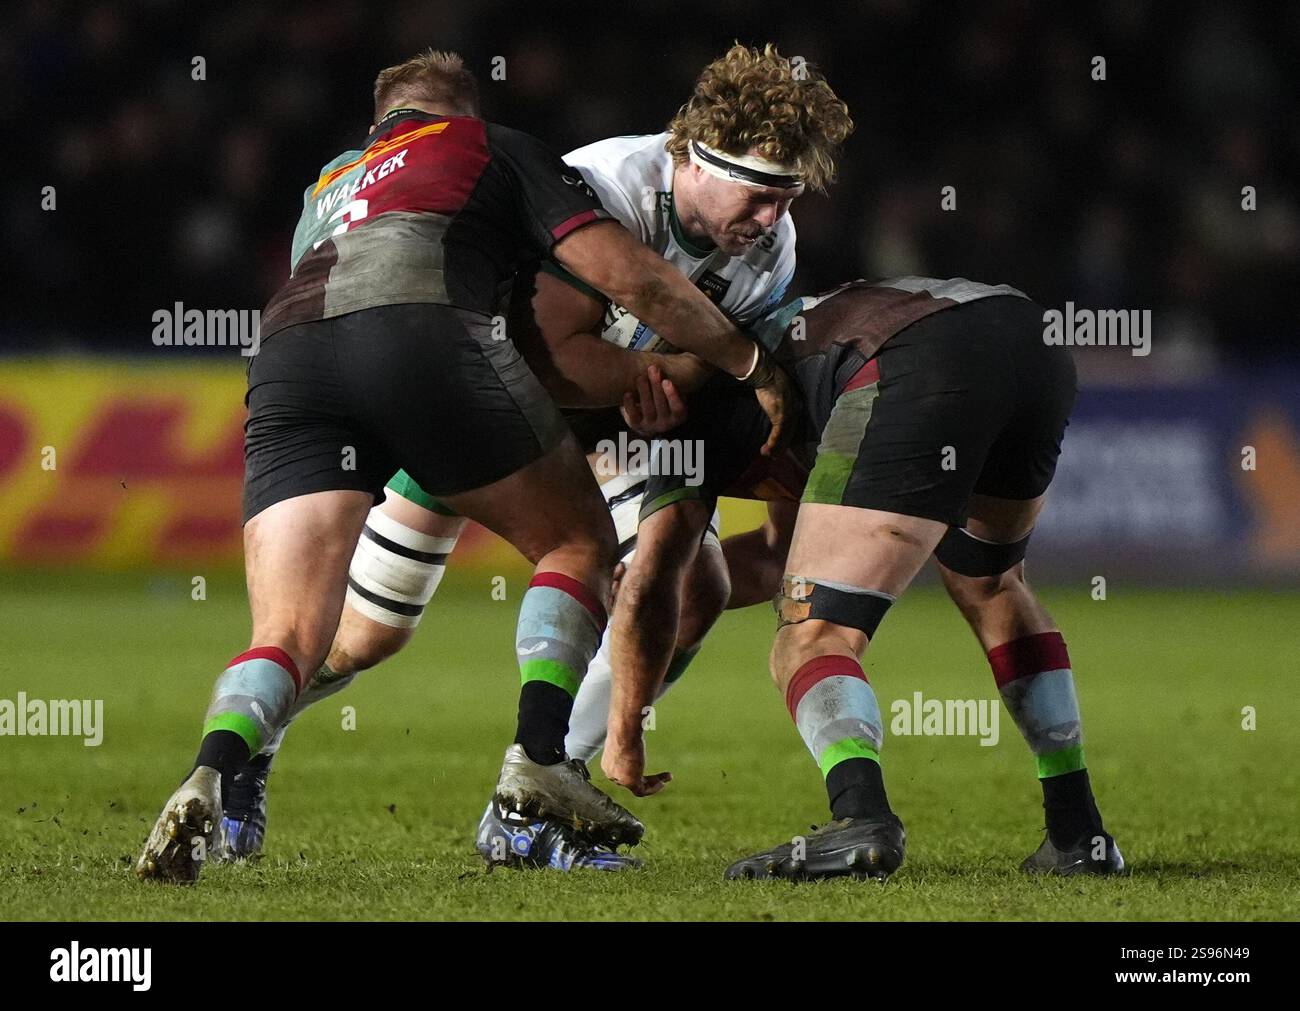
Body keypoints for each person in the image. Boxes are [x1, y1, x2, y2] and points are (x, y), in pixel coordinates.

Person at [135, 49, 791, 884]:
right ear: (462, 113)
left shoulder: (327, 185)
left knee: (299, 634)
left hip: (290, 361)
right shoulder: (501, 149)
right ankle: (537, 773)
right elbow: (630, 281)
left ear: (381, 126)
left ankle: (216, 767)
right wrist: (741, 365)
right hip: (443, 359)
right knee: (576, 548)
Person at [600, 277, 1125, 880]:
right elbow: (773, 556)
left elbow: (662, 579)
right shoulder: (769, 352)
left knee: (810, 632)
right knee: (993, 584)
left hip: (910, 358)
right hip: (1030, 342)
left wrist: (625, 729)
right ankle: (1078, 832)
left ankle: (862, 819)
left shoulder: (676, 413)